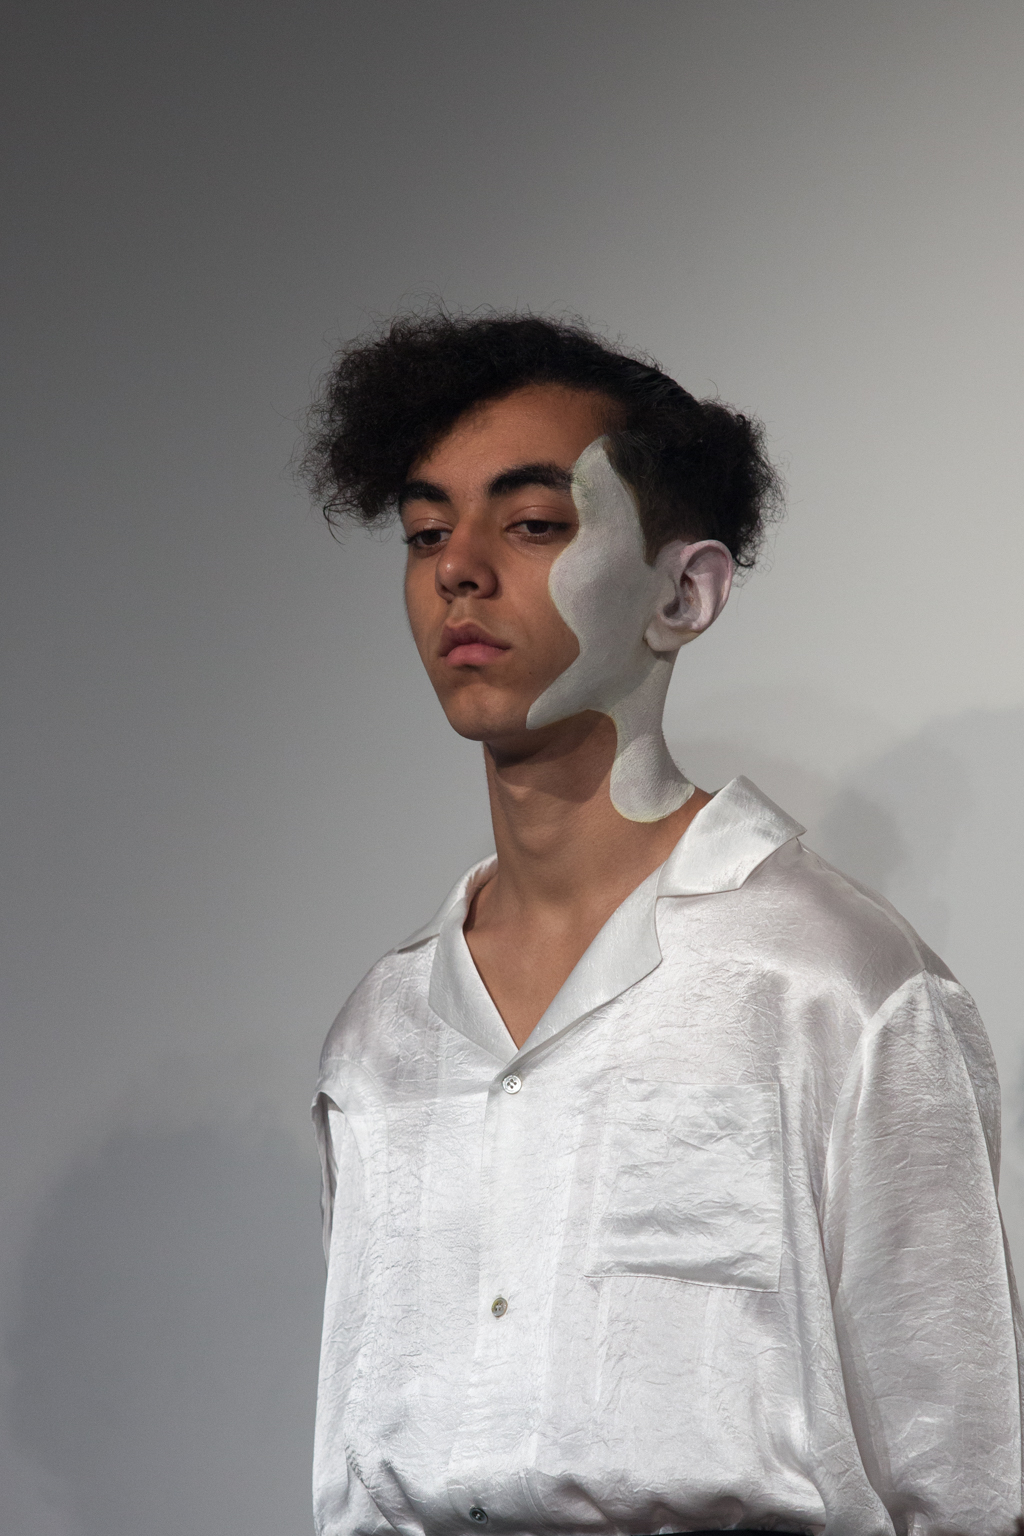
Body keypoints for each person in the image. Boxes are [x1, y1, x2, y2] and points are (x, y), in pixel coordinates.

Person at [301, 313, 1023, 1536]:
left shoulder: (830, 984)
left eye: (533, 523)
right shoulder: (383, 1034)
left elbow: (966, 1475)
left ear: (685, 592)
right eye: (426, 532)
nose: (457, 568)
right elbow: (357, 1470)